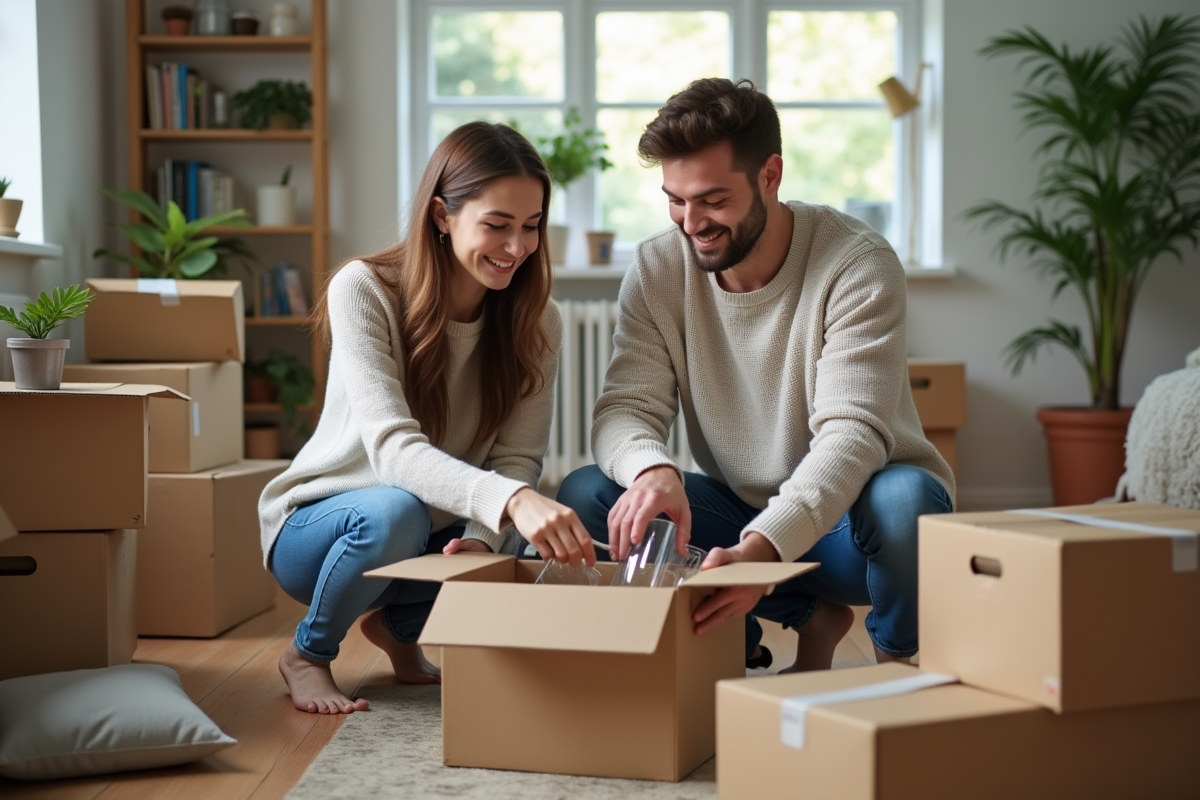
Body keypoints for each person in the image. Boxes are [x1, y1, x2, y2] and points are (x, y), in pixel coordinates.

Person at [556, 78, 954, 673]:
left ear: (770, 175)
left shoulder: (856, 263)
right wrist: (654, 469)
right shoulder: (659, 266)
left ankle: (898, 667)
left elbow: (852, 436)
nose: (691, 223)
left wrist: (761, 550)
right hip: (739, 515)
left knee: (906, 500)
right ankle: (789, 628)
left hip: (849, 526)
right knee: (591, 493)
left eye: (713, 200)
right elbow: (625, 409)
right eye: (675, 199)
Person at [259, 121, 596, 715]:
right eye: (497, 225)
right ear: (442, 214)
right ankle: (307, 655)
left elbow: (516, 457)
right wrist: (513, 498)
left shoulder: (537, 323)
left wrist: (483, 538)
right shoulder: (364, 288)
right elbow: (391, 452)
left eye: (531, 227)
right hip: (325, 526)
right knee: (398, 508)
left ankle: (398, 631)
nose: (516, 247)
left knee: (528, 549)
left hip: (426, 534)